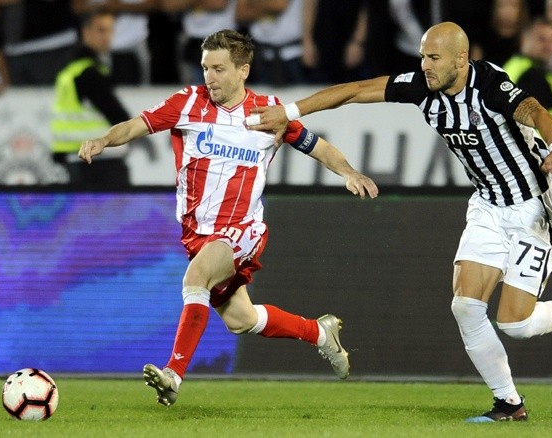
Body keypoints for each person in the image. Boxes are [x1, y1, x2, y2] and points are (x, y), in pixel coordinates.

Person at [247, 21, 552, 423]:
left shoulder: (490, 86)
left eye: (434, 58)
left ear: (461, 59)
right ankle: (509, 404)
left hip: (532, 208)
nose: (425, 65)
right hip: (487, 205)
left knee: (515, 324)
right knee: (465, 307)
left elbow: (536, 112)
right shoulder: (421, 87)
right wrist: (289, 112)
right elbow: (353, 91)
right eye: (422, 56)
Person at [78, 29, 378, 407]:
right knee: (241, 319)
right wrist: (104, 140)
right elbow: (136, 125)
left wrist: (349, 172)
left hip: (241, 229)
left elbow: (317, 147)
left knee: (196, 278)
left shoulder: (268, 113)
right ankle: (319, 333)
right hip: (196, 233)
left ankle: (173, 375)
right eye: (206, 68)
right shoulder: (188, 102)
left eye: (219, 69)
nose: (210, 77)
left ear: (242, 70)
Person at [51, 9, 148, 188]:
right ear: (85, 32)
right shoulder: (88, 73)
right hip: (99, 161)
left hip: (76, 157)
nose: (107, 36)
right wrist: (140, 132)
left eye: (110, 30)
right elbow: (115, 113)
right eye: (101, 30)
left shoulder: (71, 70)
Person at [503, 18, 552, 182]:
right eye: (542, 40)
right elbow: (538, 118)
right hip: (547, 160)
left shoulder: (517, 68)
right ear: (524, 40)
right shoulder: (531, 75)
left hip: (541, 158)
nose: (549, 46)